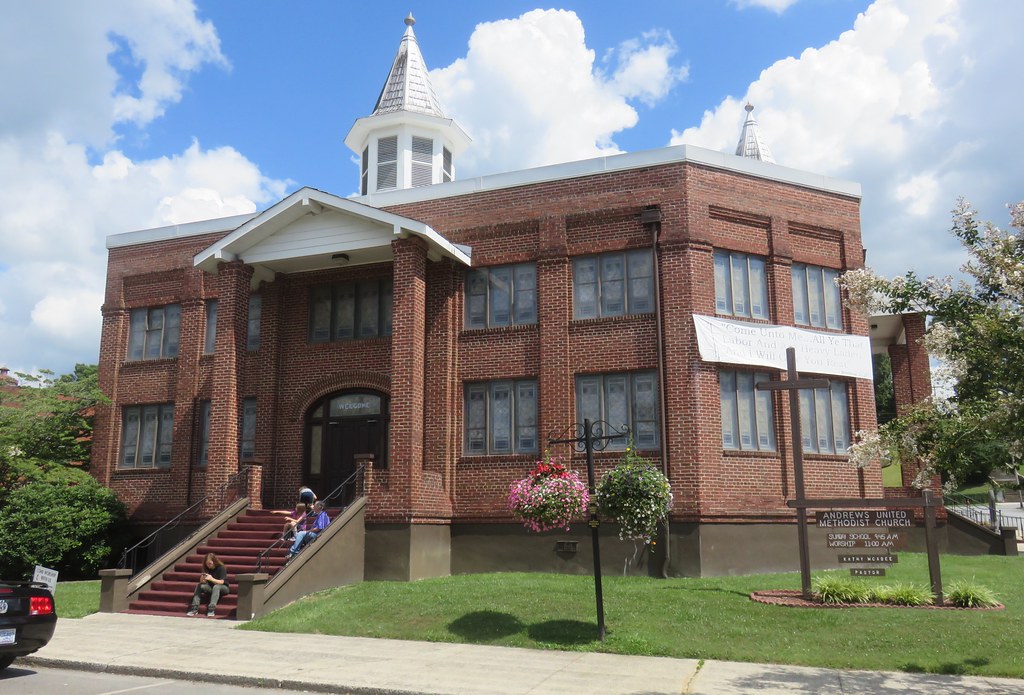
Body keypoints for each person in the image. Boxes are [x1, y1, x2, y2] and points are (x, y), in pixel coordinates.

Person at [187, 552, 229, 617]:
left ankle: (211, 609)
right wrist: (202, 580)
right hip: (210, 588)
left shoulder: (221, 568)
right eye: (207, 564)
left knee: (216, 586)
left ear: (214, 562)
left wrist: (211, 579)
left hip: (223, 588)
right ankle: (194, 608)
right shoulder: (206, 568)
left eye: (210, 563)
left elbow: (222, 582)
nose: (208, 565)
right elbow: (203, 583)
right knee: (199, 585)